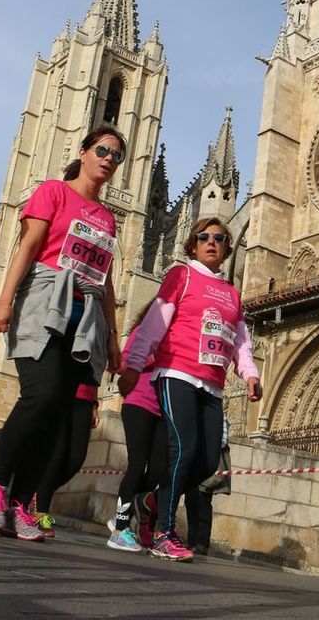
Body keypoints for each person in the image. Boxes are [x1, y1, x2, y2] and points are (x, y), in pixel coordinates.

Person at [0, 126, 121, 541]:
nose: (109, 160)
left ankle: (22, 504)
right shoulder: (54, 192)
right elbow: (29, 246)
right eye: (103, 150)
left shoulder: (108, 218)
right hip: (43, 300)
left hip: (86, 316)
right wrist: (3, 301)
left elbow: (106, 280)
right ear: (85, 151)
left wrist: (112, 337)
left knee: (57, 414)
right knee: (40, 395)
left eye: (116, 156)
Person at [117, 217, 263, 562]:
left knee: (206, 462)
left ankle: (150, 501)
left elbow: (240, 342)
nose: (211, 241)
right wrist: (133, 365)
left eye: (219, 238)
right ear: (193, 245)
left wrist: (250, 374)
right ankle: (164, 534)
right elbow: (155, 322)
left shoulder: (232, 294)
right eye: (203, 237)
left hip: (212, 386)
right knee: (182, 447)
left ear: (228, 248)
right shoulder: (180, 276)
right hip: (176, 373)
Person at [106, 303, 168, 553]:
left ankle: (132, 510)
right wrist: (158, 354)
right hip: (139, 403)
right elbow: (126, 362)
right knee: (136, 466)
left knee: (157, 470)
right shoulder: (143, 332)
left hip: (163, 409)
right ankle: (120, 527)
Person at [32, 383, 99, 537]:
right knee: (57, 454)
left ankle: (38, 493)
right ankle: (41, 514)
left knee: (77, 459)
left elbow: (96, 373)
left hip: (86, 398)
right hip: (62, 392)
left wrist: (94, 406)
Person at [186, 417, 231, 556]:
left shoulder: (220, 418)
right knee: (190, 501)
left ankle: (202, 543)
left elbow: (222, 442)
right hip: (193, 463)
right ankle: (191, 541)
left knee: (203, 502)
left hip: (208, 465)